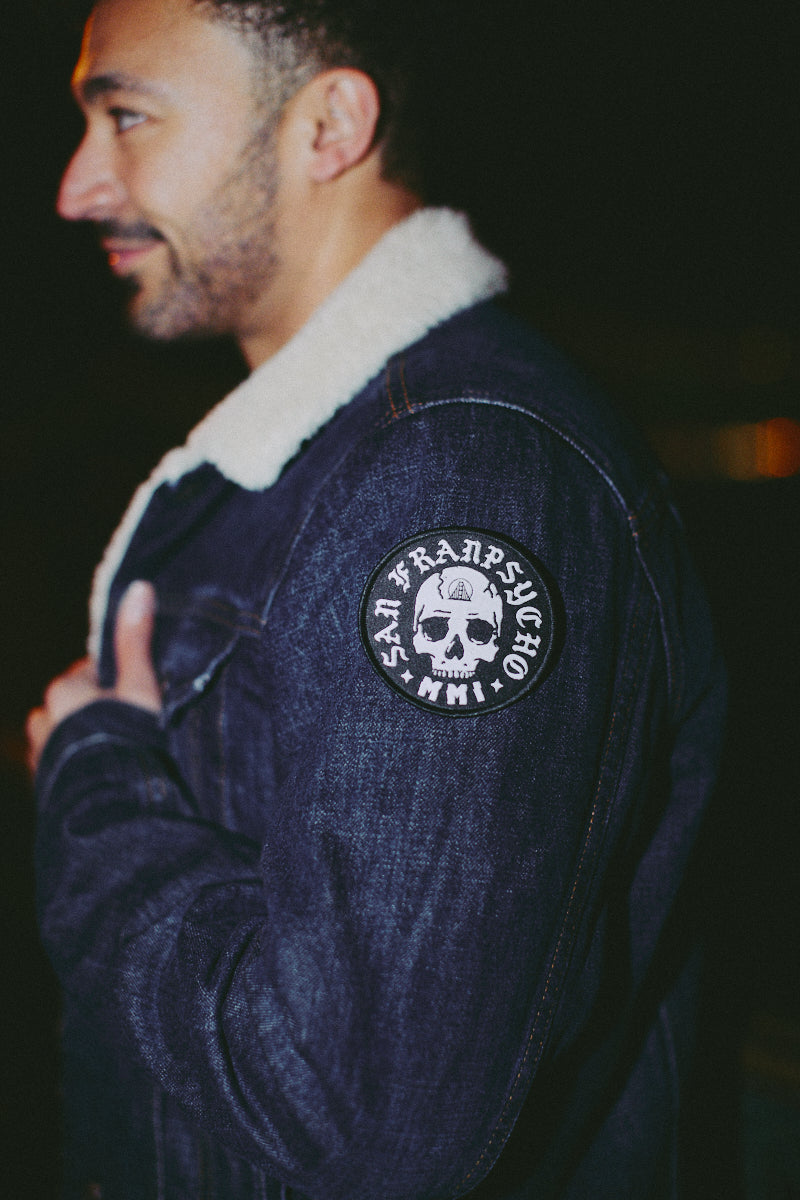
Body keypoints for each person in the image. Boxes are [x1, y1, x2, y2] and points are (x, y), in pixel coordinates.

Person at [27, 0, 727, 1196]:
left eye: (127, 116)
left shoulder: (459, 476)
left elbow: (366, 1121)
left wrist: (95, 784)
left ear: (328, 124)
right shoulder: (341, 449)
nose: (79, 186)